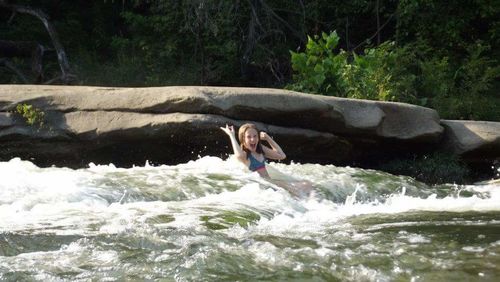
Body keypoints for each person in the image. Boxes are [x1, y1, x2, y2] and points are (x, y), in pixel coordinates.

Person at [220, 123, 312, 196]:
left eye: (255, 136)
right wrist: (231, 135)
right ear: (243, 139)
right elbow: (238, 155)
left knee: (306, 184)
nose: (253, 139)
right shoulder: (245, 155)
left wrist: (268, 138)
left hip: (271, 182)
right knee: (298, 192)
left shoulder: (261, 149)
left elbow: (281, 155)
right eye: (249, 137)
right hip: (264, 186)